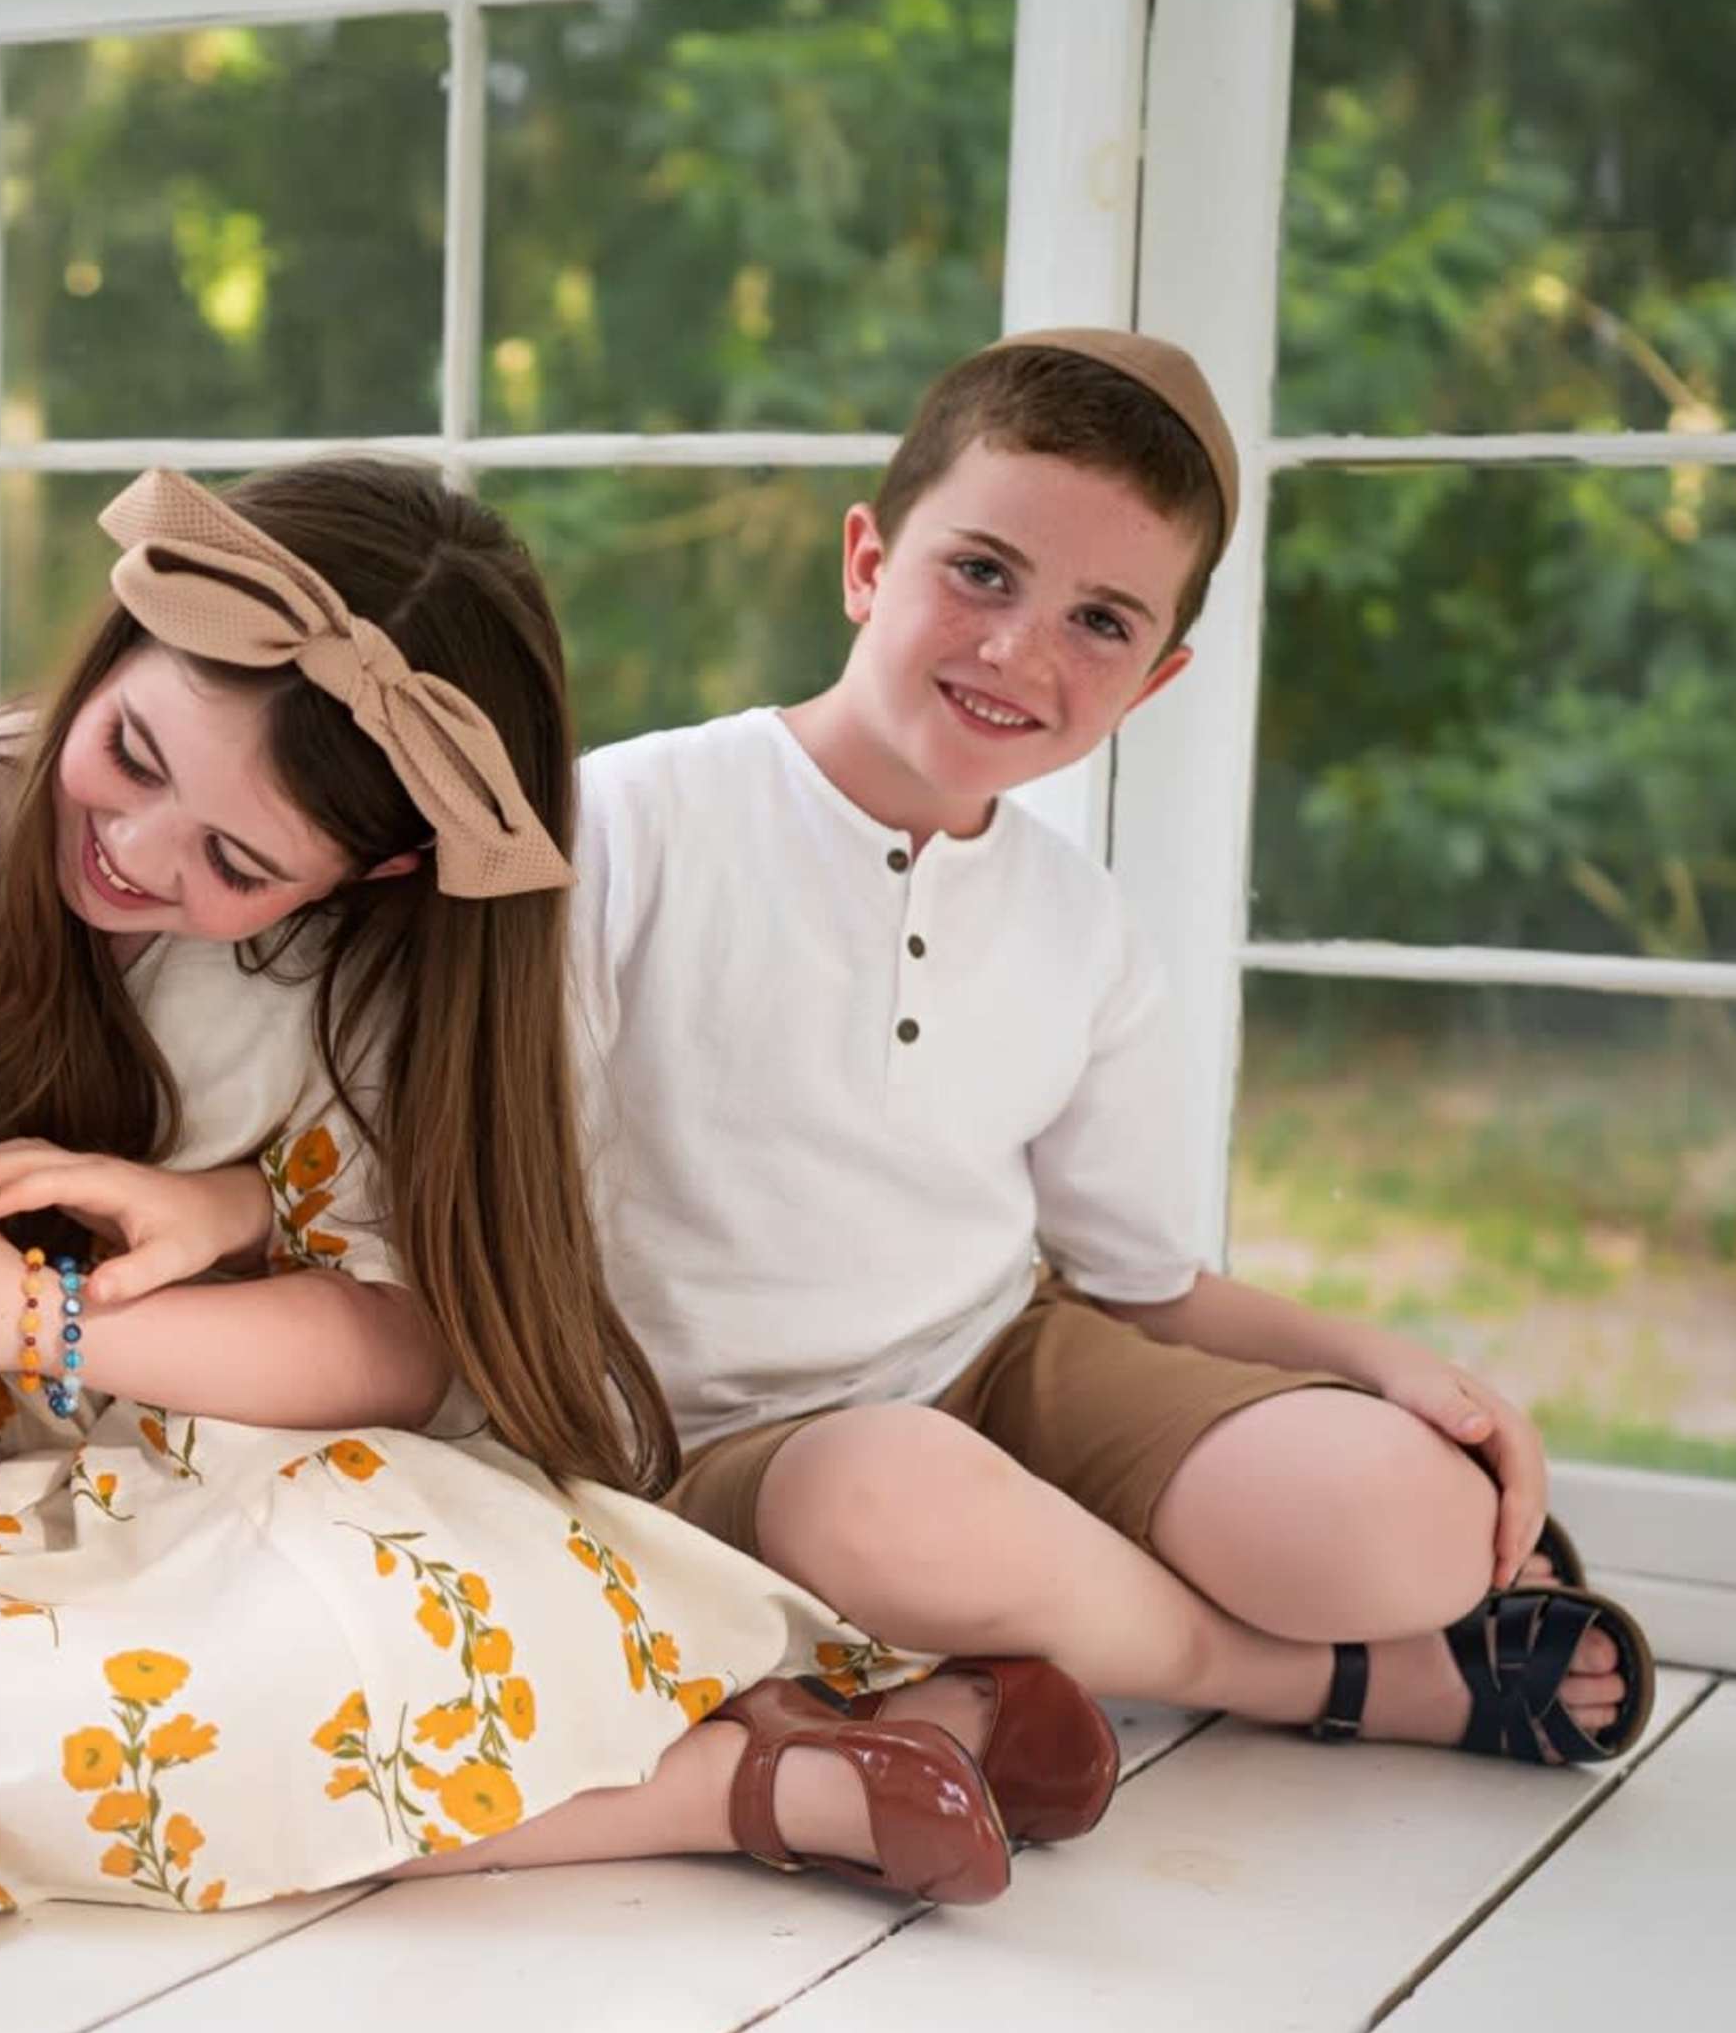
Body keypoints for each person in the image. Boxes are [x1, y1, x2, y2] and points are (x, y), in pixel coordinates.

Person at [0, 461, 1114, 1932]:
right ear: (115, 644)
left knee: (170, 1708)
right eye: (131, 753)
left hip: (228, 1461)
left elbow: (402, 1342)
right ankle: (769, 1774)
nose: (137, 850)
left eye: (237, 861)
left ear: (382, 868)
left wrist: (38, 1317)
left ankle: (770, 1759)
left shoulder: (368, 983)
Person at [579, 329, 1652, 1766]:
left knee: (1415, 1522)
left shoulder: (1082, 926)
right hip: (714, 1445)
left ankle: (1068, 1593)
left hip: (993, 1363)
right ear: (867, 562)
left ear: (1152, 680)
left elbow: (1141, 1285)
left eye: (1100, 621)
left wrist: (1381, 1362)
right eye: (982, 572)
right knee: (887, 1498)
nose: (1019, 650)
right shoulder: (631, 823)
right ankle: (1316, 1680)